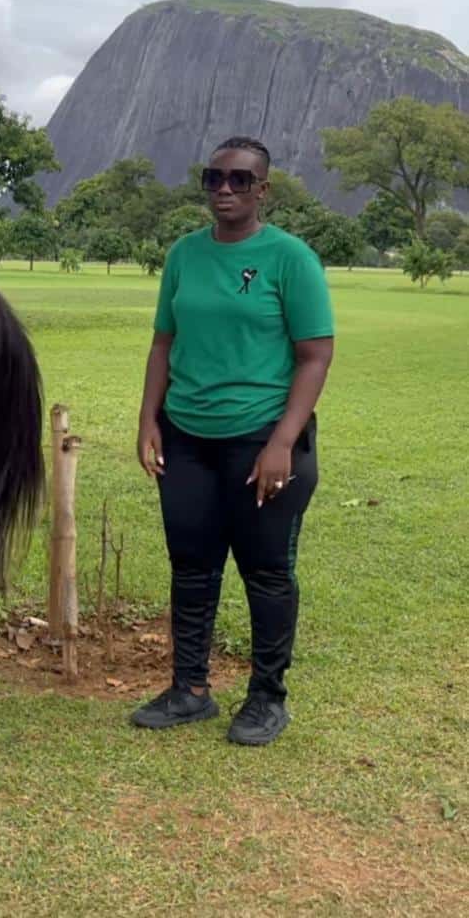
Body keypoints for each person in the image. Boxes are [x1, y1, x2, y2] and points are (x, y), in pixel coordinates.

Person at [132, 138, 334, 745]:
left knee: (266, 571)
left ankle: (268, 698)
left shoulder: (290, 259)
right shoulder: (184, 256)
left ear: (263, 190)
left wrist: (282, 441)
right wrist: (148, 420)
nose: (225, 188)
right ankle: (190, 690)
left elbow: (315, 355)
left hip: (262, 440)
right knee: (191, 567)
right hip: (186, 437)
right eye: (214, 177)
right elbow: (164, 343)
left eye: (240, 180)